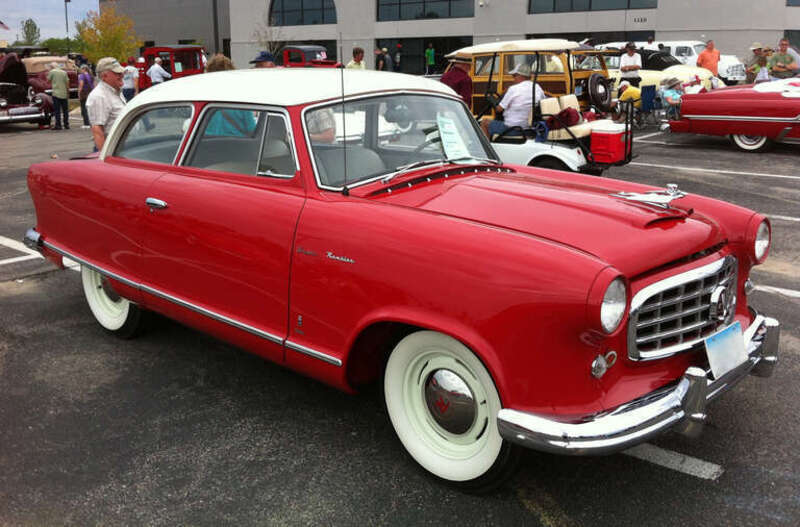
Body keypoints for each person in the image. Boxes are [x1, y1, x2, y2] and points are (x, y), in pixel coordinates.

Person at [480, 63, 545, 138]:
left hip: (512, 128)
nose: (513, 79)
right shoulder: (537, 88)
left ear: (520, 75)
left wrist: (493, 101)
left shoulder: (513, 89)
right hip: (530, 128)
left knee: (484, 122)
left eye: (514, 76)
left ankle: (486, 149)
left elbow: (499, 109)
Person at [86, 57, 126, 151]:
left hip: (120, 147)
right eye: (117, 73)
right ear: (104, 76)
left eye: (121, 72)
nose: (121, 75)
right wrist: (104, 159)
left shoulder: (116, 91)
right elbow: (97, 130)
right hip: (111, 149)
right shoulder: (99, 96)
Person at [47, 62, 70, 130]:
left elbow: (48, 81)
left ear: (52, 67)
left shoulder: (52, 72)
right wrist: (68, 92)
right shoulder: (64, 72)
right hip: (64, 93)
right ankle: (66, 124)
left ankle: (58, 125)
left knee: (57, 110)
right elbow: (67, 83)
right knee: (65, 110)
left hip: (56, 93)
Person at [77, 64, 94, 128]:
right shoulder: (91, 75)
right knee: (90, 108)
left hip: (84, 93)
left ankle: (86, 123)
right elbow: (93, 84)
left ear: (83, 69)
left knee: (84, 108)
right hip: (90, 92)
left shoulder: (81, 76)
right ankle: (91, 122)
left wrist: (79, 93)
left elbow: (81, 84)